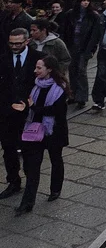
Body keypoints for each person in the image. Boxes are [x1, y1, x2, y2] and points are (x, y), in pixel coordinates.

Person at [14, 54, 68, 215]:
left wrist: (34, 107)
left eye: (39, 68)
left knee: (55, 160)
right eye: (36, 67)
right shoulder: (36, 85)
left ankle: (55, 189)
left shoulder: (60, 88)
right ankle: (27, 203)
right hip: (35, 131)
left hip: (53, 132)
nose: (35, 71)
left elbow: (57, 112)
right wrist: (25, 108)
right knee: (32, 167)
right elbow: (31, 107)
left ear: (49, 69)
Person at [0, 28, 44, 200]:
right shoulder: (3, 59)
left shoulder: (38, 58)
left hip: (29, 113)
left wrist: (27, 102)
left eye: (18, 43)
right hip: (7, 113)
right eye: (11, 43)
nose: (14, 46)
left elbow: (43, 83)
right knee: (8, 149)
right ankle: (13, 181)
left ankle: (31, 185)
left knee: (29, 151)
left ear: (27, 41)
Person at [58, 0, 101, 108]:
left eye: (87, 0)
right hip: (72, 45)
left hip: (84, 46)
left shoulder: (93, 16)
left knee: (81, 71)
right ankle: (73, 94)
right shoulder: (70, 14)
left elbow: (94, 35)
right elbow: (64, 29)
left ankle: (81, 97)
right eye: (83, 0)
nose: (86, 3)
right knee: (72, 70)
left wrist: (91, 48)